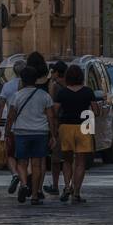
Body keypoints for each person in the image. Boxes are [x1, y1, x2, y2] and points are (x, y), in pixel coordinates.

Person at [5, 66, 57, 204]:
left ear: (22, 80)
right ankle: (34, 195)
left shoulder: (17, 96)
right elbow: (51, 117)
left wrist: (7, 133)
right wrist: (53, 135)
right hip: (40, 133)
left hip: (21, 132)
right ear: (35, 80)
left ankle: (23, 184)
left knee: (22, 162)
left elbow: (11, 116)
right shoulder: (44, 95)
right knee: (36, 165)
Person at [54, 63, 100, 204]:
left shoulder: (61, 93)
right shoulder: (88, 92)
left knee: (67, 161)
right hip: (83, 127)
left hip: (66, 127)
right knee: (80, 162)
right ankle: (76, 192)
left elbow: (55, 112)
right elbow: (96, 111)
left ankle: (67, 186)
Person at [0, 58, 27, 195]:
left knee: (10, 154)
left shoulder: (7, 86)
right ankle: (25, 183)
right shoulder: (29, 86)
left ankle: (14, 174)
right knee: (24, 158)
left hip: (11, 127)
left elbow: (0, 108)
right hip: (27, 127)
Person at [44, 61, 69, 196]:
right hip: (72, 125)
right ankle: (67, 186)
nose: (51, 75)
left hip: (59, 125)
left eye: (52, 72)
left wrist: (52, 130)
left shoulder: (55, 86)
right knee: (68, 159)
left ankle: (55, 185)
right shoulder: (72, 85)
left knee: (56, 159)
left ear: (57, 73)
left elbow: (52, 109)